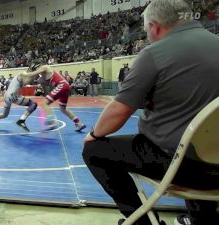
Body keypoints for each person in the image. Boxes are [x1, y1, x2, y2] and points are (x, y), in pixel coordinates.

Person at [82, 1, 219, 225]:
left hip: (179, 166)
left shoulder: (155, 54)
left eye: (147, 31)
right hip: (215, 168)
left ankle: (141, 222)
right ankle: (202, 219)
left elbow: (119, 111)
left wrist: (94, 135)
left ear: (154, 27)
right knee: (199, 139)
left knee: (94, 151)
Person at [21, 60, 86, 132]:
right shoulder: (42, 76)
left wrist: (25, 73)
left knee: (44, 103)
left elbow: (33, 73)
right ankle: (79, 123)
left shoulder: (45, 67)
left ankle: (52, 121)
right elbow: (35, 80)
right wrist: (28, 80)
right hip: (64, 86)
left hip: (62, 85)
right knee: (63, 109)